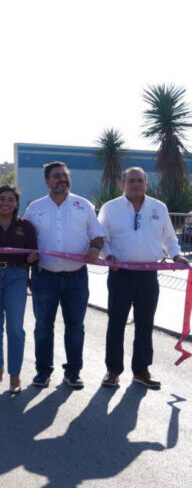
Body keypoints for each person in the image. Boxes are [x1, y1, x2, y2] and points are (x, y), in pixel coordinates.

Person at [98, 167, 189, 390]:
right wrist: (108, 255)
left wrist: (176, 254)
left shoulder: (159, 207)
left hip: (149, 275)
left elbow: (169, 237)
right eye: (131, 181)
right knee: (116, 323)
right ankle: (113, 370)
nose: (136, 184)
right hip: (120, 275)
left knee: (145, 323)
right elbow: (101, 238)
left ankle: (141, 371)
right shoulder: (111, 208)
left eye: (140, 180)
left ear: (146, 184)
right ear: (123, 184)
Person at [23, 161, 106, 390]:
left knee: (75, 326)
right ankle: (43, 372)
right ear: (47, 181)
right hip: (44, 277)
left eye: (65, 175)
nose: (62, 179)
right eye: (57, 176)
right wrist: (28, 266)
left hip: (76, 278)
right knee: (43, 326)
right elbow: (26, 243)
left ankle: (73, 372)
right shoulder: (35, 208)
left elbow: (98, 236)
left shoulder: (84, 205)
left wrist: (95, 248)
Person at [0, 185, 38, 395]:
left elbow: (33, 253)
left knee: (15, 327)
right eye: (2, 199)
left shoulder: (26, 227)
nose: (6, 203)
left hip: (16, 277)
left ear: (16, 204)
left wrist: (31, 257)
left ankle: (14, 373)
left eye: (11, 199)